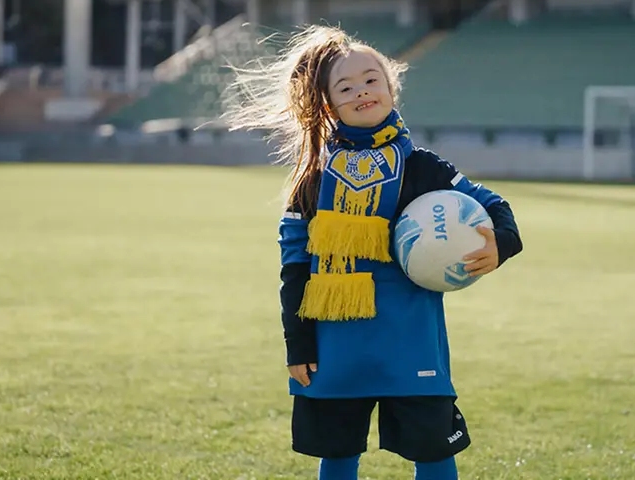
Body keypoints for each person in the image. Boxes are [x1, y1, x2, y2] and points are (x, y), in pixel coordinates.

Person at [223, 25, 523, 480]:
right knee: (339, 454)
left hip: (410, 335)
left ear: (390, 88)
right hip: (335, 340)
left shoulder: (422, 167)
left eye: (371, 80)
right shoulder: (313, 180)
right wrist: (298, 344)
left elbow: (494, 206)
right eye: (346, 87)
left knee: (434, 453)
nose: (361, 91)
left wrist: (501, 244)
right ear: (328, 104)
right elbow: (295, 270)